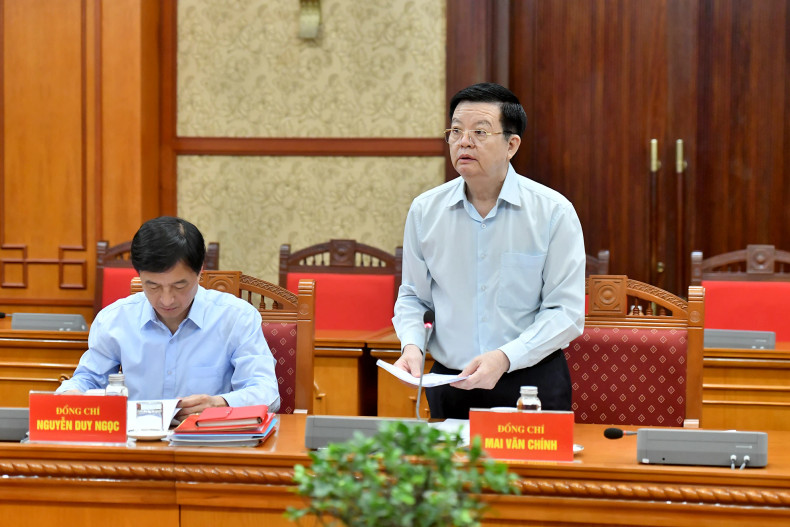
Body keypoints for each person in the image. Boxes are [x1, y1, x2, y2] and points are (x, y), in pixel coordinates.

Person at [392, 82, 585, 419]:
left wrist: (505, 357)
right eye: (455, 131)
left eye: (479, 132)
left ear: (511, 144)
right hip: (450, 384)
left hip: (529, 385)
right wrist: (412, 346)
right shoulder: (425, 212)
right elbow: (414, 299)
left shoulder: (553, 212)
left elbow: (565, 312)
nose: (464, 141)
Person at [57, 216, 280, 417]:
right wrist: (71, 394)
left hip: (209, 444)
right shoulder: (115, 319)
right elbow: (88, 379)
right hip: (136, 445)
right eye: (152, 286)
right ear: (139, 275)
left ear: (200, 271)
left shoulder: (236, 317)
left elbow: (266, 391)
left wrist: (221, 403)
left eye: (179, 285)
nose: (166, 300)